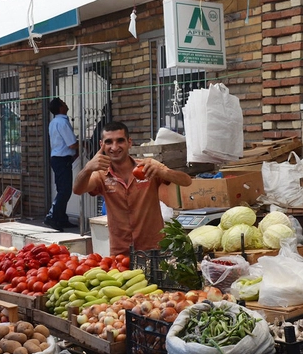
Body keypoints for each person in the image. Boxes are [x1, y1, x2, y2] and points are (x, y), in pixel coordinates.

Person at [73, 121, 192, 256]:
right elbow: (77, 189)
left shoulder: (147, 167)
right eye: (109, 142)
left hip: (153, 248)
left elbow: (186, 181)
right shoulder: (100, 174)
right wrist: (87, 168)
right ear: (102, 145)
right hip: (120, 251)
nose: (114, 147)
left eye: (120, 141)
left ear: (129, 142)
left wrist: (163, 172)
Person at [44, 97, 79, 231]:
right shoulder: (62, 123)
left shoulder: (54, 122)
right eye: (64, 103)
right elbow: (72, 144)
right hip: (62, 159)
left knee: (62, 190)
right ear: (60, 108)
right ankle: (52, 216)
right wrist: (84, 145)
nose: (66, 104)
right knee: (65, 190)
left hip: (57, 158)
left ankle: (61, 218)